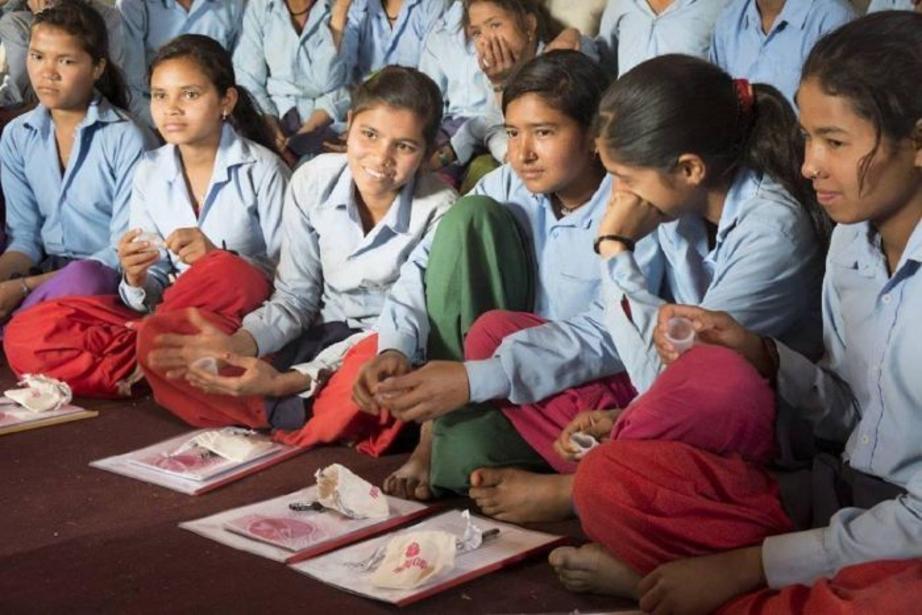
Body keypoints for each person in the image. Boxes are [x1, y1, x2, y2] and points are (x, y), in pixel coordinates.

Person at [551, 12, 922, 615]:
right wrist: (765, 356)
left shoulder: (780, 223)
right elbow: (850, 411)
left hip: (908, 525)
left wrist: (748, 562)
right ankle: (736, 588)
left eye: (835, 142)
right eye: (807, 138)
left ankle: (711, 588)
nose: (808, 166)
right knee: (612, 484)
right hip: (836, 485)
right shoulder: (853, 242)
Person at [349, 50, 655, 500]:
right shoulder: (508, 182)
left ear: (595, 135)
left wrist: (477, 379)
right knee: (467, 218)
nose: (522, 153)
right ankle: (444, 432)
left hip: (579, 388)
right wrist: (395, 346)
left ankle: (566, 486)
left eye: (544, 133)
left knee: (481, 464)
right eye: (512, 132)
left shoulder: (633, 205)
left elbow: (611, 334)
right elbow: (424, 266)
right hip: (499, 372)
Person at [136, 65, 457, 430]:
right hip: (315, 336)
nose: (381, 158)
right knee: (160, 341)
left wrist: (290, 379)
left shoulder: (441, 210)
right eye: (369, 134)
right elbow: (295, 298)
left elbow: (404, 325)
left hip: (381, 347)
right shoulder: (313, 179)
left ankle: (277, 405)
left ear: (428, 152)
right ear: (349, 124)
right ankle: (287, 410)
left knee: (381, 381)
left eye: (404, 146)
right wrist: (238, 345)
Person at [4, 33, 288, 397]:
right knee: (26, 333)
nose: (171, 109)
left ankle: (146, 360)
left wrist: (217, 257)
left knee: (225, 272)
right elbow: (152, 285)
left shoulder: (263, 170)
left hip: (234, 319)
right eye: (159, 95)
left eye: (190, 94)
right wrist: (137, 277)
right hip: (161, 315)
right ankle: (153, 363)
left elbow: (291, 281)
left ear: (226, 101)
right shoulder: (150, 170)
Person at [0, 0, 149, 324]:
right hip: (43, 271)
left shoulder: (127, 139)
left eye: (65, 61)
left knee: (83, 279)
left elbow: (121, 253)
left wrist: (24, 288)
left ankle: (26, 323)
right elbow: (25, 234)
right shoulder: (16, 135)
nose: (46, 73)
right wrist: (6, 281)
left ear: (97, 67)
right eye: (37, 57)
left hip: (101, 279)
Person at [232, 0, 352, 161]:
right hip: (272, 121)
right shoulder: (260, 7)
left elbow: (334, 83)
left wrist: (339, 14)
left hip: (328, 123)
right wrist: (270, 124)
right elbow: (248, 79)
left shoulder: (348, 8)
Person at [117, 0, 245, 126]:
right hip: (153, 120)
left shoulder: (234, 5)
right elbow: (131, 89)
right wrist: (165, 125)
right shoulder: (133, 5)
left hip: (215, 118)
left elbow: (240, 77)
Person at [709, 0, 855, 105]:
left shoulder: (831, 18)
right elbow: (718, 98)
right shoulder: (729, 19)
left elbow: (840, 111)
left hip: (800, 145)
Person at [0, 0, 124, 107]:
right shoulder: (15, 21)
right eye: (38, 57)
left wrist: (46, 17)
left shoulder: (106, 16)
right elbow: (32, 95)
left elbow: (105, 86)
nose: (50, 73)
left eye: (67, 61)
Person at [595, 0, 729, 77]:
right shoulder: (621, 3)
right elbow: (603, 57)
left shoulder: (722, 5)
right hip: (627, 118)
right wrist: (579, 42)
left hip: (688, 119)